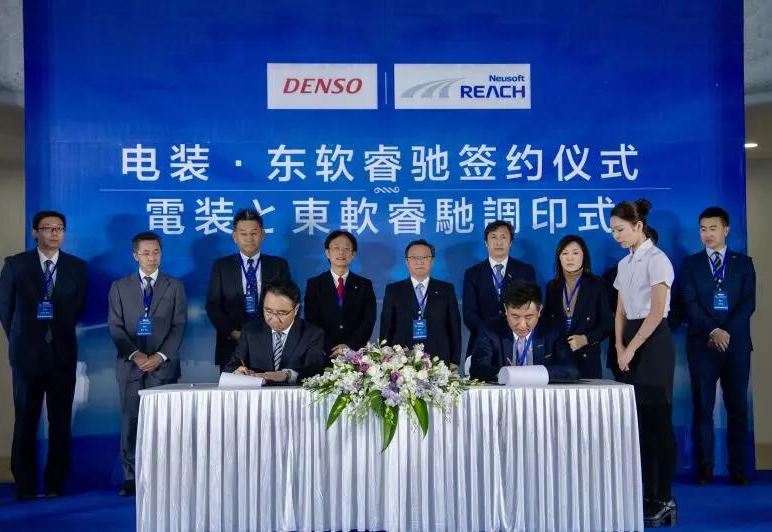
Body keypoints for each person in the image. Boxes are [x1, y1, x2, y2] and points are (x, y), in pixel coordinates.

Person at [0, 211, 87, 500]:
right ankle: (25, 484)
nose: (54, 233)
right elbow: (5, 310)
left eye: (59, 228)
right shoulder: (16, 265)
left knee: (60, 422)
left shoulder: (77, 267)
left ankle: (54, 484)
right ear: (35, 232)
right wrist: (23, 340)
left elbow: (77, 308)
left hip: (62, 354)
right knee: (26, 420)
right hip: (27, 357)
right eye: (47, 228)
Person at [610, 199, 677, 526]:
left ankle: (664, 497)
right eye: (613, 231)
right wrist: (619, 346)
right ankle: (646, 493)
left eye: (620, 229)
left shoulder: (658, 260)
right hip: (629, 344)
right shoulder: (624, 264)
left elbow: (656, 312)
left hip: (653, 343)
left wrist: (632, 348)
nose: (616, 236)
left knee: (658, 423)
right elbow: (620, 311)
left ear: (638, 226)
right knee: (639, 427)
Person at [680, 206, 755, 486]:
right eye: (703, 229)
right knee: (703, 407)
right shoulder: (690, 264)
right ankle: (705, 470)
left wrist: (726, 331)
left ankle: (739, 470)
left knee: (738, 408)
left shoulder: (743, 263)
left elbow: (748, 303)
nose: (707, 234)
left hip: (736, 346)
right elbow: (689, 302)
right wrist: (713, 330)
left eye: (713, 228)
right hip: (702, 344)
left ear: (726, 229)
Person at [108, 232, 187, 496]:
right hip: (130, 367)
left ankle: (163, 477)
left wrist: (160, 356)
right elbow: (116, 327)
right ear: (135, 255)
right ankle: (131, 477)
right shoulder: (120, 287)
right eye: (145, 253)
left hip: (163, 367)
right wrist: (136, 355)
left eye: (156, 252)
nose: (151, 258)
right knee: (130, 423)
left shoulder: (174, 286)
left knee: (164, 426)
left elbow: (179, 326)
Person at [206, 208, 291, 371]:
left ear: (262, 235)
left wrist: (274, 332)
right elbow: (213, 305)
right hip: (232, 345)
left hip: (272, 344)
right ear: (235, 236)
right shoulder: (222, 266)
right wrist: (232, 332)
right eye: (243, 234)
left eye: (254, 233)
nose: (249, 238)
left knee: (272, 387)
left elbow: (288, 302)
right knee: (233, 388)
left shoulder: (278, 265)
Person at [469, 280, 579, 382]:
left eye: (529, 317)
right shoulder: (490, 329)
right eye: (515, 317)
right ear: (506, 310)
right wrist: (507, 374)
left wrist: (530, 374)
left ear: (539, 310)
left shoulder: (553, 331)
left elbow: (571, 370)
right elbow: (477, 369)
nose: (522, 325)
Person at [223, 279, 326, 381]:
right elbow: (230, 368)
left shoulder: (312, 334)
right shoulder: (250, 331)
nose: (274, 318)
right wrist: (237, 372)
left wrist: (287, 375)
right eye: (268, 311)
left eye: (281, 313)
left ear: (296, 309)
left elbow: (314, 372)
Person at [380, 239, 461, 367]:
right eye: (414, 257)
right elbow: (386, 327)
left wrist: (454, 360)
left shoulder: (446, 289)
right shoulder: (394, 290)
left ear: (432, 261)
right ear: (407, 261)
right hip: (402, 360)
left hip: (438, 360)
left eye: (424, 257)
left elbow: (454, 328)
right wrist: (385, 358)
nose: (420, 261)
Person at [463, 220, 536, 358]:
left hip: (517, 340)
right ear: (486, 242)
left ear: (511, 242)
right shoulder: (473, 273)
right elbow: (469, 314)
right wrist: (488, 333)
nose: (498, 242)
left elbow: (531, 309)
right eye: (493, 237)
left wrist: (513, 330)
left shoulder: (525, 271)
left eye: (503, 237)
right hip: (481, 342)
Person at [543, 235, 612, 379]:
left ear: (584, 256)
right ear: (559, 257)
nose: (570, 258)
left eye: (575, 253)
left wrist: (585, 339)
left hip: (587, 358)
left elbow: (607, 324)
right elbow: (546, 323)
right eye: (564, 253)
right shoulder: (552, 287)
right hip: (558, 360)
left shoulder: (597, 284)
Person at [304, 230, 376, 357]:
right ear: (328, 253)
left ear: (353, 254)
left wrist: (350, 346)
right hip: (323, 353)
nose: (341, 252)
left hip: (354, 354)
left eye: (346, 249)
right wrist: (329, 348)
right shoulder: (315, 284)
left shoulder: (364, 285)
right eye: (336, 248)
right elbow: (311, 320)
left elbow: (368, 320)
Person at [604, 225, 659, 378]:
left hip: (654, 342)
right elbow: (614, 312)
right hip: (622, 343)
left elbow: (663, 310)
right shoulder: (618, 270)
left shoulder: (660, 265)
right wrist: (620, 346)